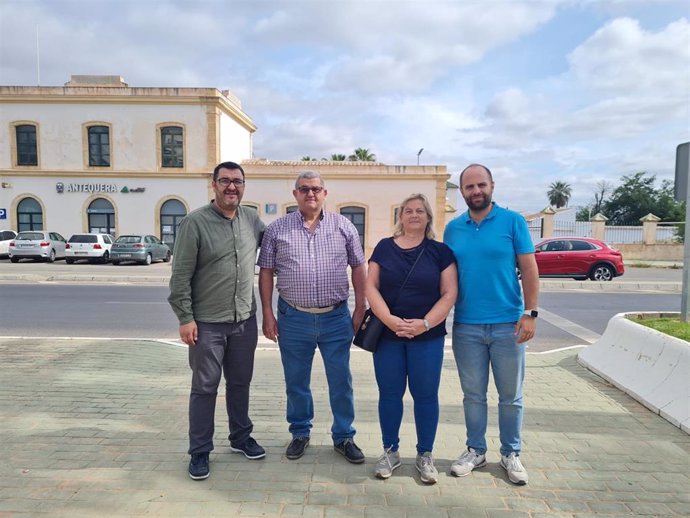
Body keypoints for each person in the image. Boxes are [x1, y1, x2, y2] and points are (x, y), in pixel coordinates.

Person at [257, 171, 367, 463]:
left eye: (316, 189)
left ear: (325, 193)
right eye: (304, 189)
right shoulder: (277, 229)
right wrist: (268, 313)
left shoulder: (344, 226)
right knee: (296, 381)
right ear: (295, 194)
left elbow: (359, 267)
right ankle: (300, 432)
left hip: (335, 318)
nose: (310, 194)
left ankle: (344, 436)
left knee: (341, 380)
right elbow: (266, 271)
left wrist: (360, 307)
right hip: (293, 318)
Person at [168, 161, 266, 481]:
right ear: (213, 185)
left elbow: (280, 246)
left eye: (237, 181)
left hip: (243, 321)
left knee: (240, 384)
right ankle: (199, 451)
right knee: (205, 388)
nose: (231, 187)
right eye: (224, 181)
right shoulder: (194, 223)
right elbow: (180, 276)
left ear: (243, 186)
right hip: (207, 324)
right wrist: (186, 318)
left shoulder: (251, 220)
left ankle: (240, 437)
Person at [443, 163, 539, 486]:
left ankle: (511, 453)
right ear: (463, 192)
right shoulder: (453, 229)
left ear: (492, 186)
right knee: (473, 395)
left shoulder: (513, 222)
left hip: (508, 326)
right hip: (467, 326)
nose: (476, 191)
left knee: (511, 396)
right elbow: (445, 277)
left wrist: (531, 312)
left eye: (481, 185)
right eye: (469, 187)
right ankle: (476, 450)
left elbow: (529, 269)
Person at [366, 193, 457, 484]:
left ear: (428, 217)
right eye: (408, 211)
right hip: (388, 337)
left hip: (427, 338)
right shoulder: (383, 248)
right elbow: (371, 288)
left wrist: (425, 323)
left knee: (426, 396)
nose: (414, 215)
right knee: (390, 395)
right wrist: (390, 320)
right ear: (400, 217)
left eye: (420, 210)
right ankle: (390, 451)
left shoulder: (440, 251)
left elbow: (449, 293)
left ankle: (424, 455)